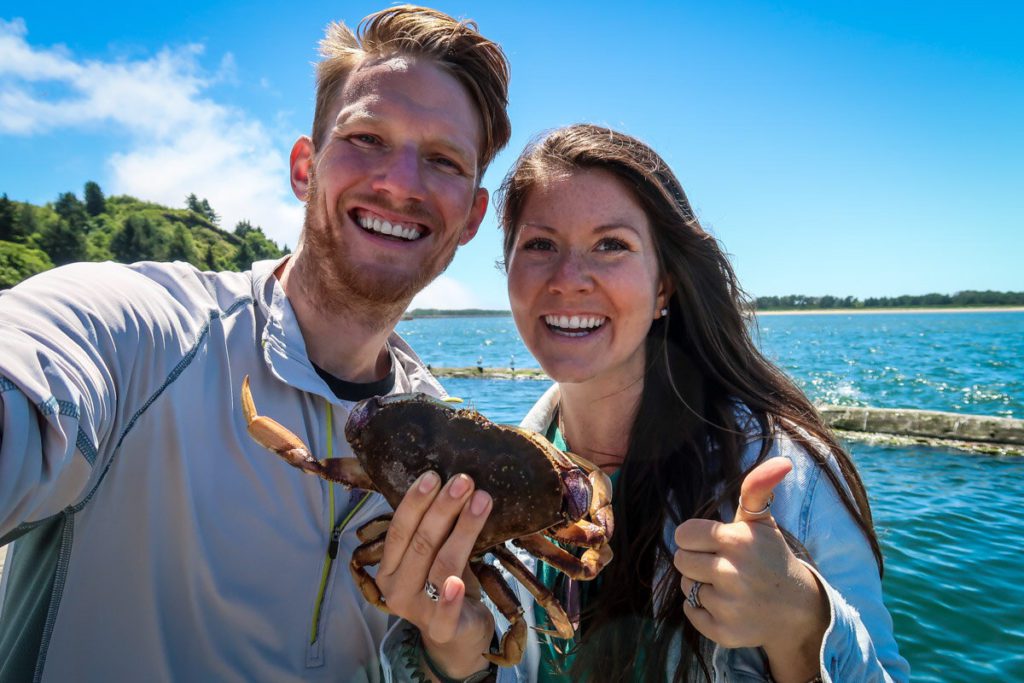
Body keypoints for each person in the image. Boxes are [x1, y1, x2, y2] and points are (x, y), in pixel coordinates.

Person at [0, 6, 510, 681]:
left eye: (444, 160)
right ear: (305, 167)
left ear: (472, 214)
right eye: (366, 138)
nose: (401, 183)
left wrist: (457, 655)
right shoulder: (147, 334)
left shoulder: (453, 445)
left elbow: (489, 657)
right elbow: (30, 373)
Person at [389, 123, 911, 682]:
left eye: (611, 245)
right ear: (508, 271)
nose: (569, 279)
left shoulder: (788, 477)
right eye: (540, 245)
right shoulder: (486, 489)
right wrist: (456, 662)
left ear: (664, 285)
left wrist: (803, 624)